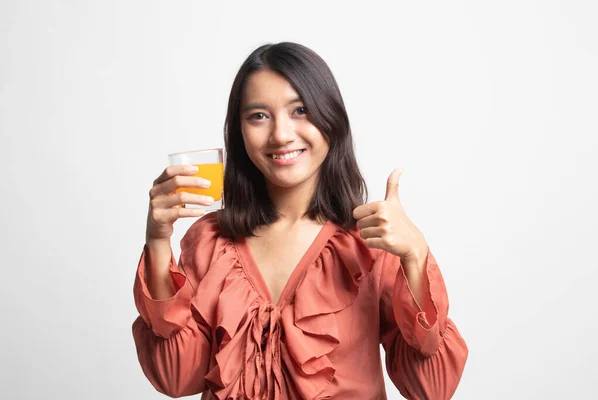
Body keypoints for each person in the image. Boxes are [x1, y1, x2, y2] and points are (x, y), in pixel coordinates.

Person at [132, 42, 468, 400]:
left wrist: (415, 254)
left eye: (301, 110)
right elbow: (177, 377)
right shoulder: (212, 240)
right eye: (258, 115)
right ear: (239, 131)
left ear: (331, 118)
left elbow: (432, 388)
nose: (280, 134)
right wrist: (157, 241)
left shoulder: (370, 242)